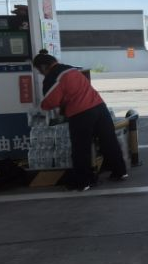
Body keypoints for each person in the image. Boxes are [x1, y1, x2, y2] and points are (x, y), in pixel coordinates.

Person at [33, 50, 127, 191]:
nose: (41, 74)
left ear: (43, 67)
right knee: (108, 140)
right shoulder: (71, 69)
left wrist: (40, 107)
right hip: (99, 107)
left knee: (81, 148)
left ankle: (83, 182)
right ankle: (120, 171)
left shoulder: (53, 76)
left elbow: (50, 101)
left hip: (81, 113)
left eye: (39, 71)